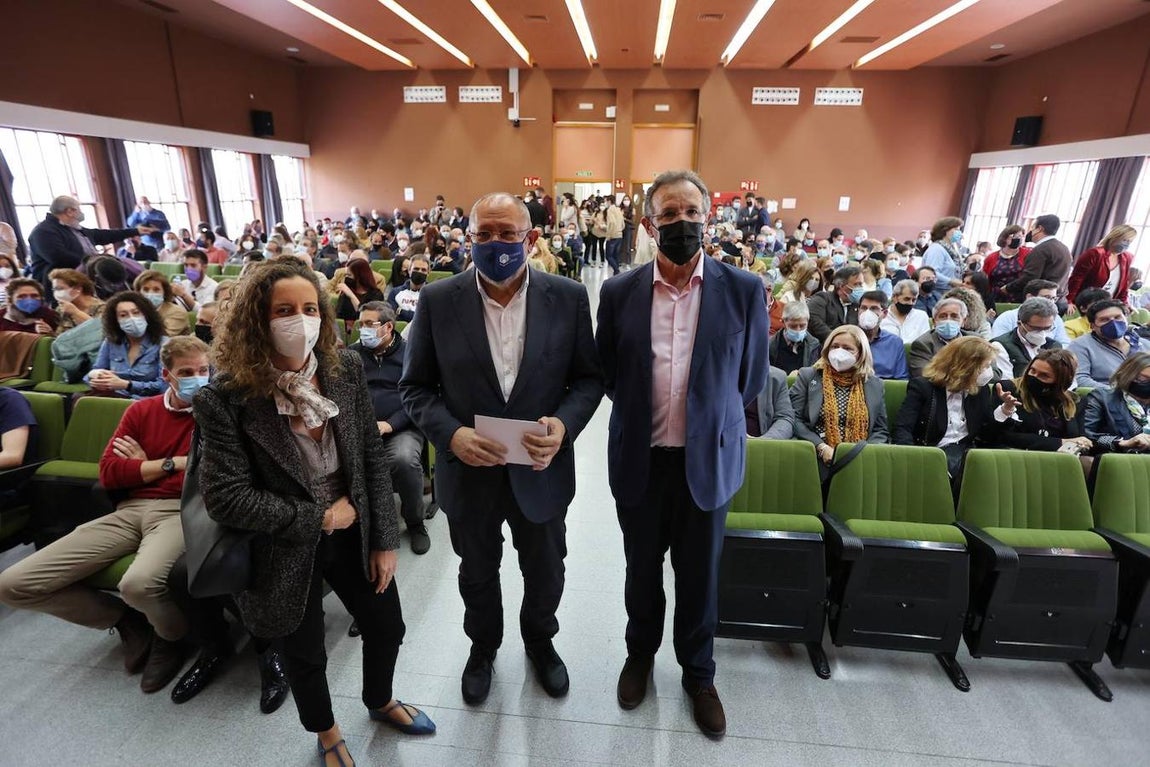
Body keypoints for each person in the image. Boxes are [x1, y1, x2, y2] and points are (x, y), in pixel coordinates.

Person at [194, 260, 433, 766]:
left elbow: (370, 452)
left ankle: (380, 699)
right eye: (283, 310)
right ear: (257, 319)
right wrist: (319, 518)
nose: (298, 320)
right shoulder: (226, 398)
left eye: (308, 309)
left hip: (356, 527)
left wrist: (385, 538)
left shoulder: (342, 369)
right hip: (282, 543)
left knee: (387, 626)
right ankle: (325, 732)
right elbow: (226, 496)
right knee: (306, 653)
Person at [402, 192, 602, 708]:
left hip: (540, 467)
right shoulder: (439, 300)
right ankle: (482, 647)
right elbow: (415, 389)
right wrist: (452, 435)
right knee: (476, 571)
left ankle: (541, 641)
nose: (496, 245)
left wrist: (563, 425)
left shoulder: (568, 296)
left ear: (530, 238)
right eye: (484, 234)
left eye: (507, 234)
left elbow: (587, 379)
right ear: (468, 240)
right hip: (470, 470)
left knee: (546, 568)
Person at [595, 170, 768, 738]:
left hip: (707, 464)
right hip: (642, 461)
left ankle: (699, 674)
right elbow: (611, 376)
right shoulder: (619, 292)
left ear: (708, 218)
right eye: (670, 214)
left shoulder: (743, 289)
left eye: (692, 212)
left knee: (699, 577)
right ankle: (640, 654)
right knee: (641, 571)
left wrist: (704, 420)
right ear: (649, 224)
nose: (682, 223)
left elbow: (748, 381)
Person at [0, 337, 210, 693]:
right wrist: (169, 463)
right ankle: (125, 620)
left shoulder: (215, 414)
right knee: (14, 584)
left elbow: (207, 476)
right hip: (127, 509)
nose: (198, 379)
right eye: (186, 372)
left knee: (138, 584)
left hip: (179, 509)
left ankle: (171, 636)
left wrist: (141, 464)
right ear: (167, 376)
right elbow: (110, 472)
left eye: (204, 371)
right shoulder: (140, 411)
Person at [350, 302, 430, 554]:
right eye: (360, 324)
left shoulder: (411, 355)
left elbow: (419, 397)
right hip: (362, 427)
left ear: (388, 327)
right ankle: (358, 523)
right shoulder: (353, 355)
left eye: (369, 325)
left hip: (402, 426)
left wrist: (390, 424)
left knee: (404, 459)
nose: (363, 330)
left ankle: (415, 522)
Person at [893, 336, 1003, 478]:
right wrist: (915, 460)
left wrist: (1004, 411)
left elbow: (985, 435)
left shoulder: (980, 390)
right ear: (966, 367)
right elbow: (902, 429)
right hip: (933, 452)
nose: (989, 373)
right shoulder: (923, 387)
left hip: (968, 451)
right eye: (986, 366)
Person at [790, 325, 889, 473]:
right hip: (814, 455)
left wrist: (862, 453)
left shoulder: (874, 384)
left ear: (860, 353)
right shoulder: (808, 376)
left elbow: (880, 430)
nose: (839, 352)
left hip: (859, 458)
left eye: (847, 348)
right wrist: (821, 447)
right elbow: (794, 419)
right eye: (835, 346)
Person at [27, 195, 153, 289]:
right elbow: (59, 257)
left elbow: (104, 235)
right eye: (78, 209)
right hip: (62, 284)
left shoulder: (74, 229)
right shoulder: (43, 232)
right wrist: (93, 261)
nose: (81, 213)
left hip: (90, 277)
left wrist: (135, 231)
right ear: (70, 211)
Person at [992, 349, 1093, 454]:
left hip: (1063, 460)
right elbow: (1004, 436)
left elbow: (1080, 439)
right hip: (1019, 456)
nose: (1034, 377)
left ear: (1060, 381)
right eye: (1032, 370)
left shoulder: (1074, 402)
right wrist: (1061, 443)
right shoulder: (1009, 390)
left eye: (1044, 375)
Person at [84, 292, 167, 398]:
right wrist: (97, 376)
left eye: (136, 313)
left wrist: (126, 385)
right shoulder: (111, 342)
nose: (131, 318)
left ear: (146, 315)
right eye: (123, 315)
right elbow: (92, 374)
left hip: (144, 402)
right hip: (114, 397)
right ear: (116, 321)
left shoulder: (164, 344)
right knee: (79, 398)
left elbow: (163, 386)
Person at [1081, 352, 1150, 453]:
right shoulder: (1102, 398)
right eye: (1144, 378)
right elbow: (1085, 437)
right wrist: (1122, 443)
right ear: (1129, 375)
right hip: (1118, 461)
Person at [1068, 299, 1140, 388]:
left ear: (1126, 319)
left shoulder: (1143, 343)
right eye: (1104, 320)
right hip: (1106, 397)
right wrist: (1120, 394)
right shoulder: (1080, 346)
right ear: (1092, 326)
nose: (1113, 323)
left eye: (1117, 317)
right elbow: (1080, 380)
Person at [990, 296, 1061, 379]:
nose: (1042, 333)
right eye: (1036, 328)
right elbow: (1007, 383)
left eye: (1047, 328)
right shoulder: (1000, 346)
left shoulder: (1055, 346)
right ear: (1020, 323)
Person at [1005, 214, 1072, 300]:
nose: (1030, 231)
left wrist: (1008, 288)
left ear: (1040, 228)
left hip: (1041, 300)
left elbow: (1029, 278)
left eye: (1032, 228)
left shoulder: (1041, 250)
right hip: (1059, 298)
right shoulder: (1064, 248)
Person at [908, 297, 976, 378]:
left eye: (954, 316)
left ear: (963, 321)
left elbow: (993, 374)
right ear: (934, 322)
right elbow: (924, 375)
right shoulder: (923, 344)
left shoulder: (975, 341)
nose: (948, 320)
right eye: (943, 316)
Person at [1067, 224, 1136, 304]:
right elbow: (1077, 279)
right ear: (1114, 237)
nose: (1127, 244)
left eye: (1130, 242)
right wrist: (1069, 300)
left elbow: (1124, 285)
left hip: (1108, 305)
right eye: (1124, 240)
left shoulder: (1127, 257)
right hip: (1086, 302)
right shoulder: (1095, 254)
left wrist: (1125, 303)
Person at [990, 278, 1071, 342]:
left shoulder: (1056, 319)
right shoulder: (1007, 318)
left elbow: (1064, 343)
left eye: (1054, 298)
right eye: (1047, 297)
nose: (1051, 302)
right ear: (1030, 297)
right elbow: (997, 344)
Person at [856, 291, 909, 379]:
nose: (867, 313)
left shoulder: (894, 342)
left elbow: (902, 379)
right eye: (864, 308)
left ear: (884, 314)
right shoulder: (846, 337)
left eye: (874, 308)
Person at [806, 265, 864, 343]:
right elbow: (816, 324)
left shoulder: (857, 305)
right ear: (841, 285)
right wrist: (840, 340)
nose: (860, 288)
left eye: (861, 284)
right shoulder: (823, 298)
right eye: (856, 284)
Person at [134, 270, 190, 337]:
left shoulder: (177, 312)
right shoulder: (133, 310)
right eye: (146, 289)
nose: (150, 293)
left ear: (165, 293)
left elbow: (162, 338)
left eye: (156, 289)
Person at [770, 301, 822, 374]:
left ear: (808, 322)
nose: (798, 330)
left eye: (802, 326)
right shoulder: (771, 346)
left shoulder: (814, 346)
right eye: (793, 326)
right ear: (783, 322)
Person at [983, 225, 1030, 301]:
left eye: (1021, 236)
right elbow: (985, 279)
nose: (1019, 239)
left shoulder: (1027, 254)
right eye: (1015, 236)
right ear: (1005, 238)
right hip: (996, 296)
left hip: (1019, 296)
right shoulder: (991, 257)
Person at [49, 268, 104, 333]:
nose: (56, 293)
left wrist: (76, 312)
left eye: (60, 288)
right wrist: (50, 331)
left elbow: (100, 331)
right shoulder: (61, 309)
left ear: (78, 289)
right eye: (54, 289)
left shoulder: (102, 308)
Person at [335, 257, 386, 325]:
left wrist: (351, 296)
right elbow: (339, 315)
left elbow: (366, 316)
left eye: (349, 275)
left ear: (360, 276)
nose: (347, 278)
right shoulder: (345, 293)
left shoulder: (376, 295)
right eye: (346, 275)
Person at [749, 366, 795, 439]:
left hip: (762, 444)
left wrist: (765, 440)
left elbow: (785, 419)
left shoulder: (777, 377)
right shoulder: (725, 375)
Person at [921, 216, 965, 291]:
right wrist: (951, 281)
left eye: (959, 229)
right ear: (945, 230)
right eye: (956, 229)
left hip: (950, 291)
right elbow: (931, 273)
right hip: (938, 291)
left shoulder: (953, 248)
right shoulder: (937, 249)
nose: (959, 232)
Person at [387, 253, 429, 322]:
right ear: (409, 270)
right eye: (416, 269)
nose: (419, 272)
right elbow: (390, 317)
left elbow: (427, 319)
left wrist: (401, 311)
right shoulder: (395, 292)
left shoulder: (433, 294)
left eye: (423, 270)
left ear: (428, 272)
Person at [603, 197, 624, 276]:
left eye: (606, 201)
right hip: (619, 235)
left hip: (613, 236)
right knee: (616, 255)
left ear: (609, 201)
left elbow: (612, 222)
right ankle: (616, 272)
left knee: (609, 256)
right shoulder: (618, 210)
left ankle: (617, 270)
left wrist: (609, 235)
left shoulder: (610, 210)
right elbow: (622, 224)